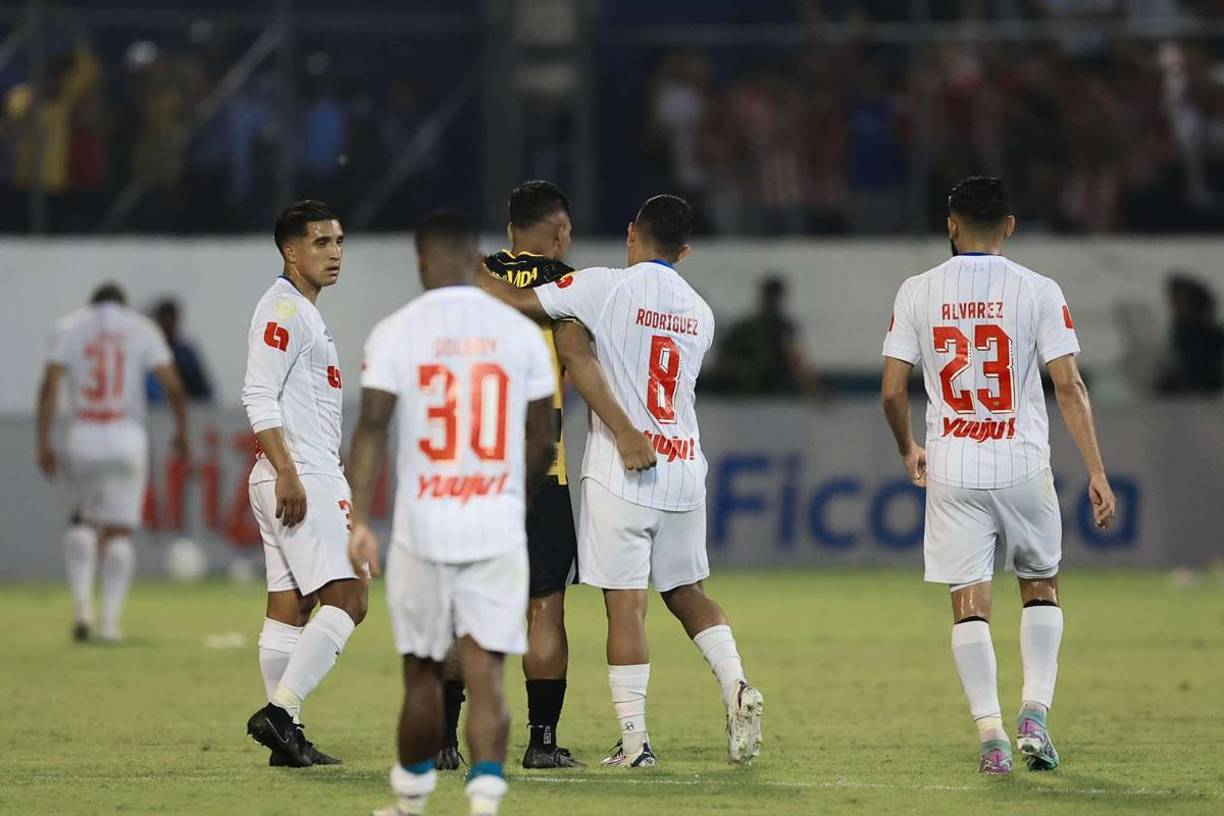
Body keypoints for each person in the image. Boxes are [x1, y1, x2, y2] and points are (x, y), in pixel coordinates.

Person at [479, 194, 765, 768]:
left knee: (626, 607)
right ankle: (736, 683)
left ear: (632, 233)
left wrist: (466, 272)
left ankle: (635, 744)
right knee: (688, 593)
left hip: (622, 467)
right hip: (684, 463)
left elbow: (519, 304)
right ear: (684, 251)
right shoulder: (701, 311)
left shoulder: (602, 285)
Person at [880, 176, 1117, 775]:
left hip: (953, 466)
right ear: (1010, 226)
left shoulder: (918, 290)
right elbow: (1069, 384)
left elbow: (891, 391)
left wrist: (910, 447)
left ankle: (991, 738)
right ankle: (1034, 714)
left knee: (969, 604)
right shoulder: (1038, 290)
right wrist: (1096, 470)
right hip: (1021, 464)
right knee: (1040, 585)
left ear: (952, 225)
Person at [346, 210, 557, 816]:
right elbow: (543, 437)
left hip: (424, 527)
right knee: (487, 666)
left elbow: (372, 429)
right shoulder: (518, 332)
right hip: (495, 523)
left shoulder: (395, 331)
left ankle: (411, 801)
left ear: (419, 261)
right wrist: (514, 500)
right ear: (477, 261)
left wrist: (359, 519)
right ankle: (485, 803)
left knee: (422, 671)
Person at [433, 180, 583, 771]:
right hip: (541, 466)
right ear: (561, 231)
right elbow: (581, 363)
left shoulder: (466, 279)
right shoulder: (569, 287)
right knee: (544, 605)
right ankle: (542, 743)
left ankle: (444, 739)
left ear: (509, 227)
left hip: (470, 465)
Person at [242, 200, 367, 768]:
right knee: (350, 598)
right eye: (320, 243)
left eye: (338, 241)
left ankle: (285, 737)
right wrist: (291, 472)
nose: (334, 252)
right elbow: (257, 394)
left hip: (293, 474)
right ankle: (281, 712)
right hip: (298, 476)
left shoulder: (303, 311)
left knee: (288, 608)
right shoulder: (285, 311)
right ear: (290, 251)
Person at [36, 283, 190, 642]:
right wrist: (182, 431)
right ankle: (109, 623)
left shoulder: (69, 327)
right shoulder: (141, 328)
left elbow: (49, 384)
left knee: (82, 522)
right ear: (123, 303)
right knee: (119, 531)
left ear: (92, 303)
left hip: (84, 434)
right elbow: (174, 386)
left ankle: (82, 609)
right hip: (126, 437)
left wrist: (42, 440)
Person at [708, 275, 820, 395]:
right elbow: (795, 359)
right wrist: (813, 390)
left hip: (746, 390)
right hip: (775, 390)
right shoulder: (780, 326)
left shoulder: (746, 327)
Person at [1156, 273, 1224, 395]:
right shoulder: (1180, 330)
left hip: (1205, 388)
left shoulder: (1210, 335)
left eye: (1178, 299)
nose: (1173, 305)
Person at [146, 298, 215, 402]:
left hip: (187, 409)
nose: (168, 324)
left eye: (171, 319)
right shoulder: (148, 354)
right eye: (164, 319)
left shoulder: (186, 354)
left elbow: (205, 392)